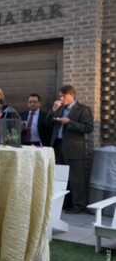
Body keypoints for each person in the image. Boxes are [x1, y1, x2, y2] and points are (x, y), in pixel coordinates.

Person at [45, 85, 93, 214]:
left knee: (76, 178)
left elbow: (88, 128)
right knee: (61, 177)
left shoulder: (83, 109)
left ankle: (78, 205)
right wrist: (53, 110)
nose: (60, 98)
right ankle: (64, 203)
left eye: (63, 96)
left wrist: (69, 122)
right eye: (59, 95)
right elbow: (47, 123)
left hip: (74, 148)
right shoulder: (59, 108)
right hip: (58, 146)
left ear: (72, 95)